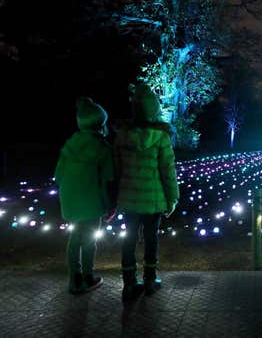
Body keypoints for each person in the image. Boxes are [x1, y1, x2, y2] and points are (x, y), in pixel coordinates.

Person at [114, 83, 179, 301]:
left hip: (129, 198)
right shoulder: (161, 137)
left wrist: (114, 197)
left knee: (129, 238)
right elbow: (167, 171)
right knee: (151, 238)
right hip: (153, 199)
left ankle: (129, 283)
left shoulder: (122, 136)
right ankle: (150, 279)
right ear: (154, 109)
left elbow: (117, 169)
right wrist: (172, 198)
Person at [55, 97, 116, 294]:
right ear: (101, 124)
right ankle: (88, 277)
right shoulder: (102, 148)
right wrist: (110, 205)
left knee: (74, 239)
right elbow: (108, 179)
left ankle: (74, 279)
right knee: (89, 239)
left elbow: (58, 175)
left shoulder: (70, 145)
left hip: (70, 201)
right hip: (91, 202)